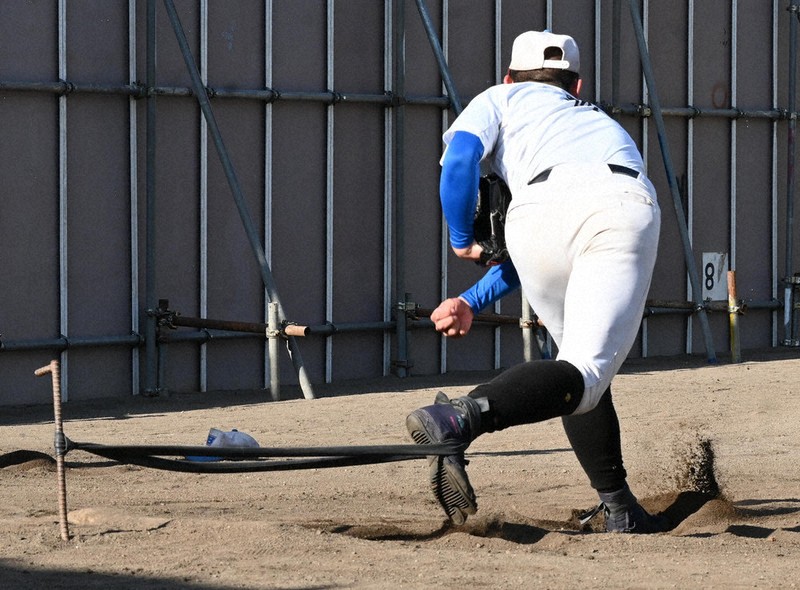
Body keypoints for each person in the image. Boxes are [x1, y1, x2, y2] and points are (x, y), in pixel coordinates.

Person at [406, 30, 667, 533]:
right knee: (585, 372)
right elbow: (583, 201)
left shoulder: (499, 98)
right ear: (577, 86)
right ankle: (462, 418)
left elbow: (459, 163)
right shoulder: (597, 121)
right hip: (620, 205)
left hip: (533, 211)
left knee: (579, 363)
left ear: (509, 76)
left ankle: (618, 508)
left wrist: (468, 283)